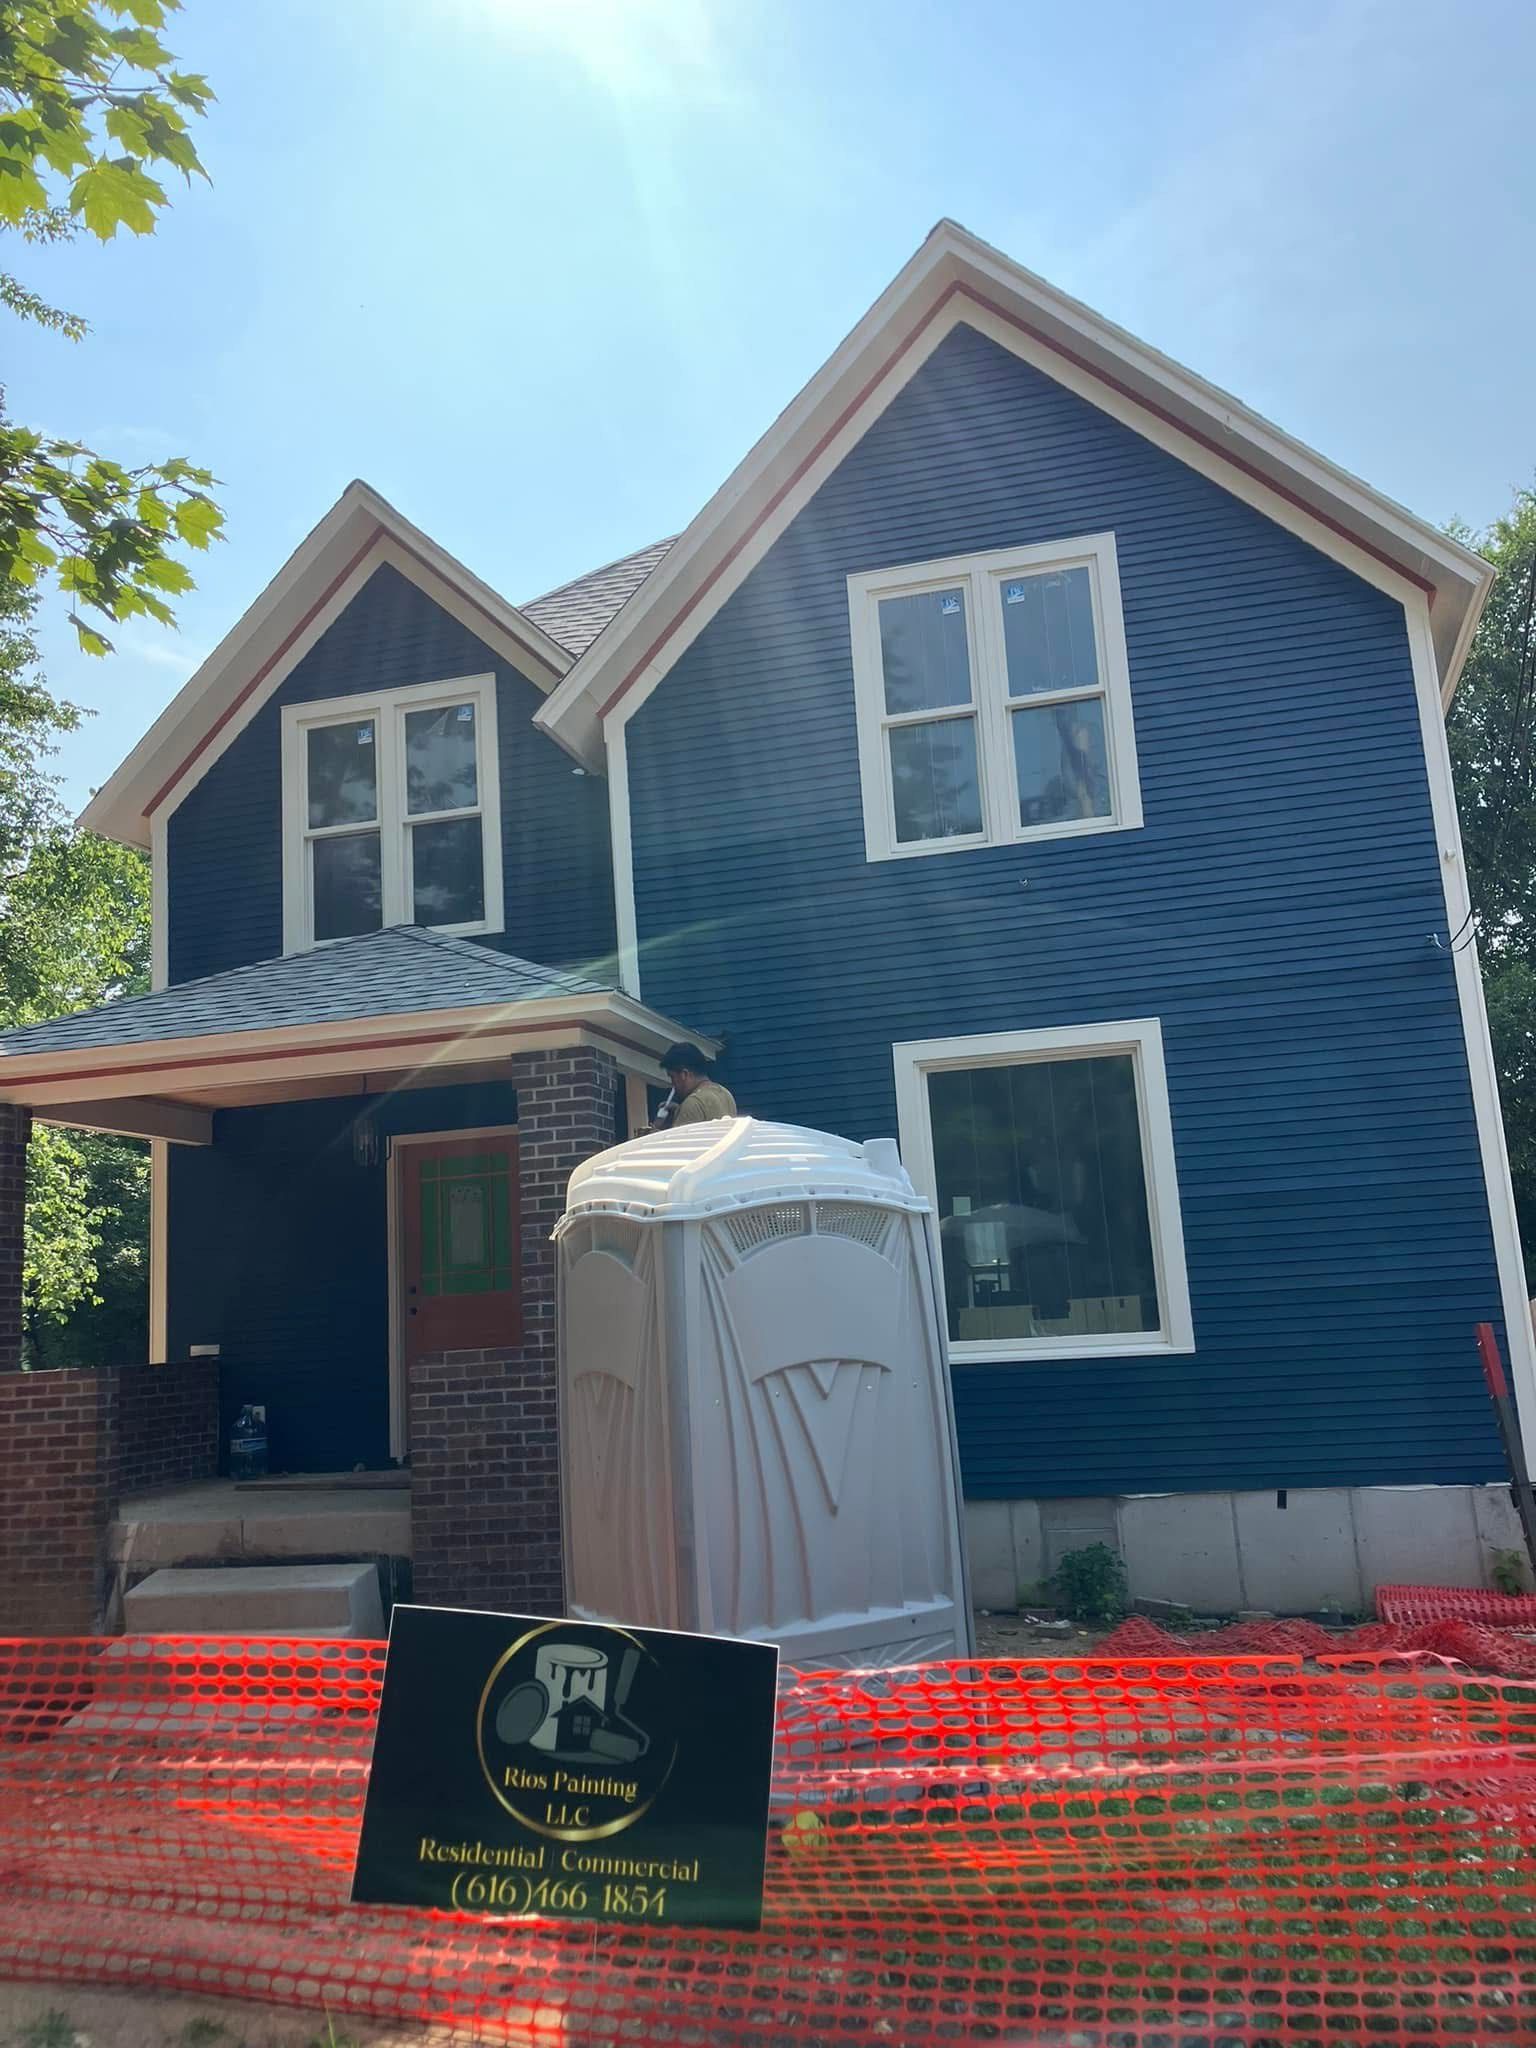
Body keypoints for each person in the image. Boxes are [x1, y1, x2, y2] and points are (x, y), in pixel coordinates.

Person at [652, 1042, 736, 1129]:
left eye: (672, 1077)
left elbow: (677, 1142)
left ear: (684, 1074)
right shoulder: (725, 1094)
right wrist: (679, 1112)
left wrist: (657, 1127)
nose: (672, 1083)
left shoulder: (692, 1103)